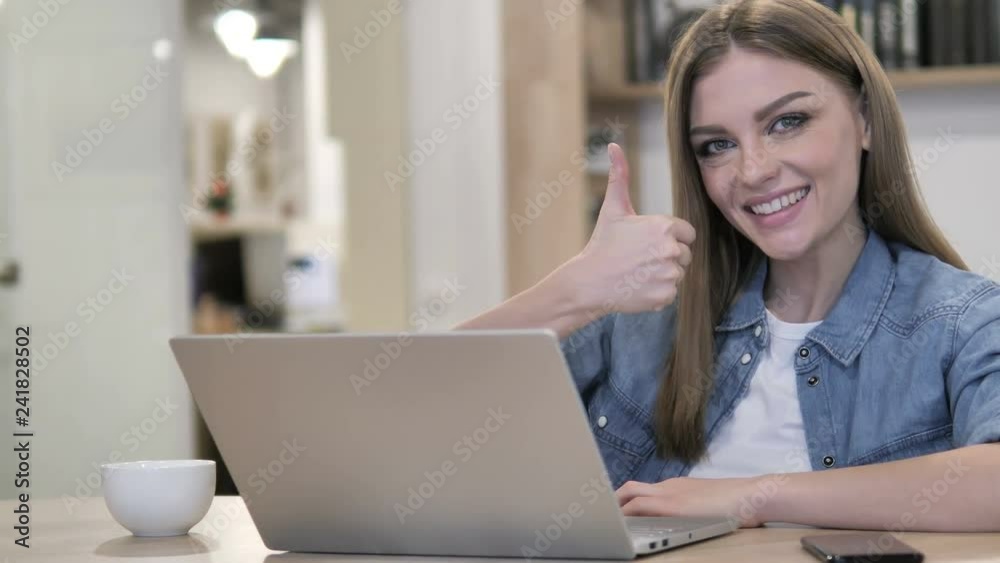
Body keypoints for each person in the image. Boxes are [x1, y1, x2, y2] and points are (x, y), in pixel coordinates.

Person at [459, 0, 1000, 531]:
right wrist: (577, 289)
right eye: (717, 145)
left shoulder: (960, 319)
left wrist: (751, 497)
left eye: (788, 121)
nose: (754, 170)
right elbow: (408, 419)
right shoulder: (645, 320)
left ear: (864, 120)